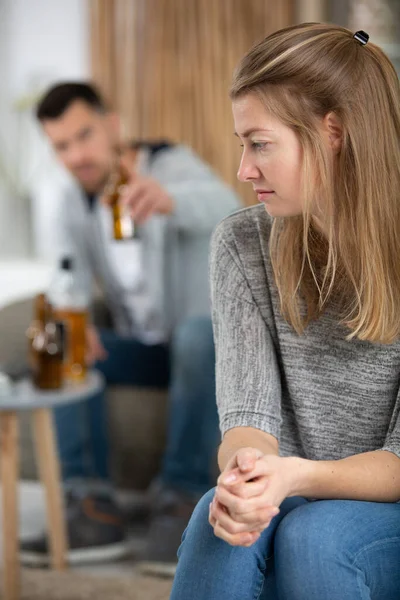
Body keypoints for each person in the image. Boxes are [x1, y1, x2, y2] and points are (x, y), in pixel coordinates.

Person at [170, 22, 400, 600]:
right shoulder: (242, 245)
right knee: (216, 517)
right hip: (293, 491)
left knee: (315, 537)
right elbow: (247, 413)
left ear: (334, 132)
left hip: (378, 508)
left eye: (260, 143)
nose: (244, 169)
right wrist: (249, 473)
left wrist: (296, 476)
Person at [20, 82, 240, 575]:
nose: (77, 155)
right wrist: (70, 318)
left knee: (195, 336)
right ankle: (90, 506)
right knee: (60, 343)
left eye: (84, 136)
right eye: (62, 146)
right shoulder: (75, 203)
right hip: (142, 349)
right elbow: (67, 277)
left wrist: (170, 200)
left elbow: (228, 205)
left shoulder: (169, 163)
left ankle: (182, 501)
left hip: (196, 346)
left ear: (112, 126)